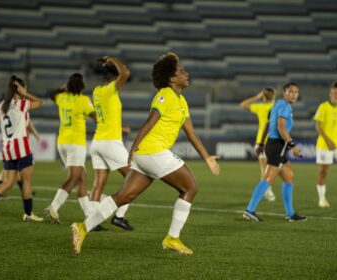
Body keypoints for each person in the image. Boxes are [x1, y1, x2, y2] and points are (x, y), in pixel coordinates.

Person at [70, 52, 220, 255]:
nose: (186, 73)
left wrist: (207, 157)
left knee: (124, 196)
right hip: (153, 151)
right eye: (181, 70)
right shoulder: (165, 94)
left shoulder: (181, 101)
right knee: (190, 188)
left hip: (146, 155)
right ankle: (172, 238)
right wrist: (133, 148)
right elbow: (149, 122)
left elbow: (191, 132)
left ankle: (82, 227)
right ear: (171, 77)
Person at [0, 75, 44, 222]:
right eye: (23, 88)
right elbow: (40, 102)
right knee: (27, 181)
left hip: (7, 148)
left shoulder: (2, 105)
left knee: (8, 181)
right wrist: (25, 94)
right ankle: (28, 213)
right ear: (19, 89)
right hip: (21, 147)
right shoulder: (20, 104)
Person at [243, 82, 306, 222]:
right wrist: (293, 146)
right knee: (268, 179)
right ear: (284, 93)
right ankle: (249, 210)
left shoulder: (277, 104)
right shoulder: (284, 106)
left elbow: (266, 123)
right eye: (290, 91)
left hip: (273, 145)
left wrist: (260, 143)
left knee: (289, 177)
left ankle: (290, 213)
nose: (293, 94)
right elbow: (281, 128)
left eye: (296, 92)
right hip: (277, 146)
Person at [44, 73, 96, 224]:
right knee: (73, 178)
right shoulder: (83, 100)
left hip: (62, 143)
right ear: (81, 86)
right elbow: (95, 117)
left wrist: (62, 88)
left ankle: (88, 214)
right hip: (75, 143)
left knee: (82, 177)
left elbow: (51, 94)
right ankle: (53, 207)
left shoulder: (62, 98)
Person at [89, 56, 133, 231]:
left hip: (97, 142)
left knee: (98, 183)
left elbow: (106, 115)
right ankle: (119, 216)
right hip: (110, 142)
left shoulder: (97, 91)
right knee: (134, 177)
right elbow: (126, 73)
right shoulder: (109, 91)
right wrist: (112, 59)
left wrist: (119, 126)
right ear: (115, 77)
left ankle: (92, 221)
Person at [0, 106, 40, 196]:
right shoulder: (18, 106)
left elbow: (27, 122)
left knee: (13, 169)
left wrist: (35, 133)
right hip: (16, 143)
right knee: (14, 169)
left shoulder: (9, 107)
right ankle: (0, 192)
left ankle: (22, 191)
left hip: (15, 142)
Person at [240, 88, 276, 202]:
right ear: (274, 96)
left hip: (260, 142)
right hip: (273, 141)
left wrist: (257, 97)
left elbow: (243, 104)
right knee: (270, 169)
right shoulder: (276, 107)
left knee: (264, 169)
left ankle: (266, 190)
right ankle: (267, 190)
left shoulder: (260, 107)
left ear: (264, 97)